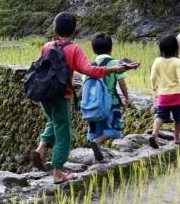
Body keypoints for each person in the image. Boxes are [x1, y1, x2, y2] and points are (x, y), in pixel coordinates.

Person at [29, 12, 127, 184]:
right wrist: (111, 70)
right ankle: (58, 172)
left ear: (54, 29)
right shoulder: (74, 49)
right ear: (75, 30)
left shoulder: (46, 46)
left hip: (44, 95)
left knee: (53, 122)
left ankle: (41, 148)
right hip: (61, 95)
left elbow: (38, 70)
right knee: (64, 133)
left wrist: (35, 94)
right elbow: (89, 70)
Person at [85, 32, 133, 163]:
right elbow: (121, 82)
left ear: (94, 49)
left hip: (93, 106)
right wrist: (127, 98)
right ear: (111, 48)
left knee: (96, 130)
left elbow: (86, 85)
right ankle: (97, 142)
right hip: (111, 104)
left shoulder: (90, 66)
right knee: (114, 129)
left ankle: (96, 159)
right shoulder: (115, 64)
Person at [149, 34, 180, 149]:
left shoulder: (157, 61)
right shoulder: (177, 61)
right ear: (175, 48)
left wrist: (154, 86)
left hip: (163, 96)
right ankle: (176, 138)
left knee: (160, 116)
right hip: (176, 96)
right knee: (178, 118)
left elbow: (152, 77)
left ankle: (155, 134)